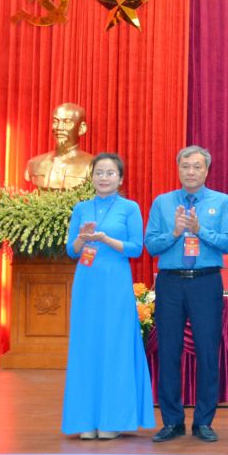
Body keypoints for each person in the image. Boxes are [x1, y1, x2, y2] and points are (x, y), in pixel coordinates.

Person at [145, 145, 228, 443]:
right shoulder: (162, 203)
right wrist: (174, 233)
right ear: (178, 169)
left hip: (206, 282)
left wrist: (200, 230)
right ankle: (172, 421)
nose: (191, 171)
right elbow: (150, 245)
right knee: (169, 352)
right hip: (170, 282)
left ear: (207, 170)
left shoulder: (222, 202)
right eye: (185, 166)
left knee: (208, 353)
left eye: (197, 166)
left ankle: (203, 421)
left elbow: (227, 243)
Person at [62, 153, 155, 439]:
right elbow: (71, 250)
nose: (104, 178)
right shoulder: (81, 208)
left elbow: (136, 248)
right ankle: (85, 420)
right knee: (87, 346)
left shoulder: (129, 208)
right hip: (86, 284)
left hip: (115, 284)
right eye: (99, 173)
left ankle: (112, 420)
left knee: (114, 346)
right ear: (91, 178)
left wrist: (105, 240)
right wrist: (83, 238)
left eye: (110, 173)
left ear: (120, 179)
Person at [25, 103, 95, 190]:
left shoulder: (93, 165)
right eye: (55, 121)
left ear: (81, 129)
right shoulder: (34, 164)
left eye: (67, 122)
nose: (59, 127)